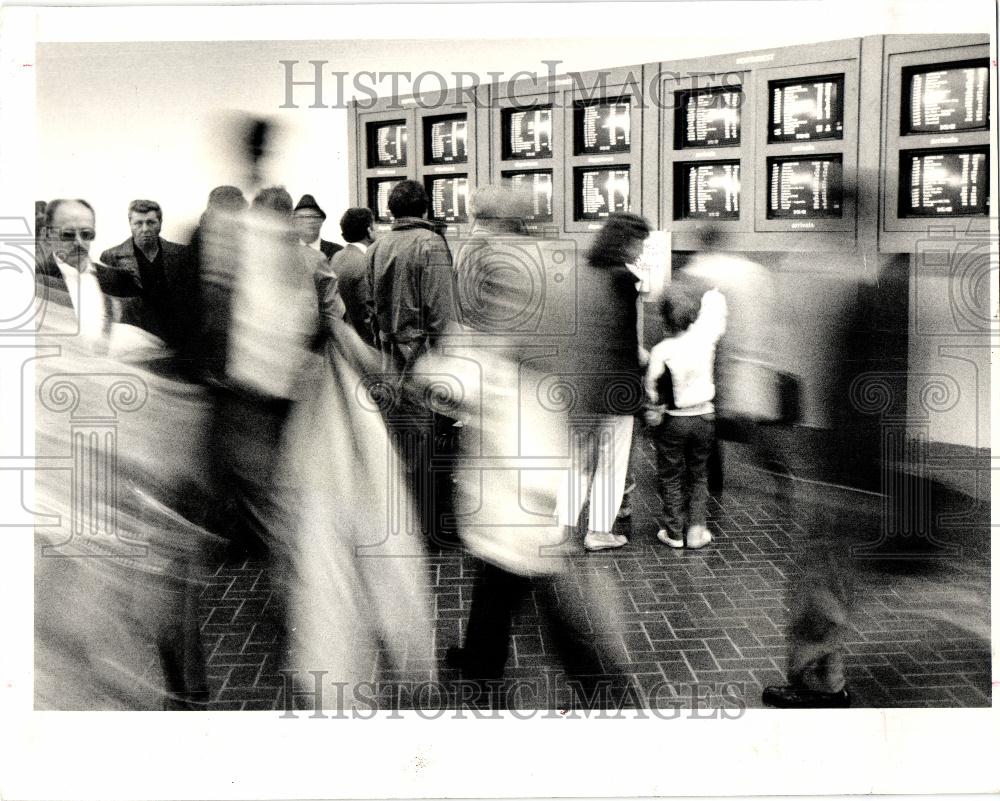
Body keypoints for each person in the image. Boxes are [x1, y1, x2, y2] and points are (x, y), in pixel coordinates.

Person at [438, 185, 631, 707]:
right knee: (502, 565)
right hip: (543, 433)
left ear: (495, 221)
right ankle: (482, 656)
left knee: (540, 573)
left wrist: (438, 372)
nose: (473, 229)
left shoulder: (506, 269)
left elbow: (479, 362)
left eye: (479, 219)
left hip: (522, 441)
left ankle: (604, 689)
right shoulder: (558, 261)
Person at [34, 198, 218, 710]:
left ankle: (188, 697)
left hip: (127, 452)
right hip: (66, 465)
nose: (78, 245)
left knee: (160, 580)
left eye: (86, 234)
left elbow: (147, 345)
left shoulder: (115, 280)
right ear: (49, 235)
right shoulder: (28, 290)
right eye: (68, 234)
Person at [366, 179, 458, 542]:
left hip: (389, 358)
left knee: (402, 441)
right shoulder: (430, 243)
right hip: (422, 357)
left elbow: (369, 306)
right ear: (425, 209)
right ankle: (432, 529)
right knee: (430, 441)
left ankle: (404, 523)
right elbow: (442, 311)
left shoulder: (377, 246)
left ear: (391, 211)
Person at [557, 212, 650, 552]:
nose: (640, 250)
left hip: (582, 381)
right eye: (639, 242)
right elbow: (625, 339)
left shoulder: (583, 272)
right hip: (616, 383)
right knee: (612, 460)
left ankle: (563, 531)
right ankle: (598, 532)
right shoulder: (623, 279)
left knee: (578, 460)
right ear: (626, 242)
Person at [644, 282, 727, 549]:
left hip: (673, 421)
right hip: (704, 418)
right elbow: (715, 317)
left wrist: (653, 409)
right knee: (699, 474)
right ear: (694, 315)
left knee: (671, 475)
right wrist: (713, 294)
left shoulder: (661, 350)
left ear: (665, 319)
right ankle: (696, 531)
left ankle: (674, 533)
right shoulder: (705, 340)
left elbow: (652, 388)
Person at [99, 199, 194, 349]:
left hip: (176, 339)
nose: (145, 229)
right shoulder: (111, 256)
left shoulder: (182, 254)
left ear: (160, 224)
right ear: (130, 224)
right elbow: (108, 307)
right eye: (138, 223)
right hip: (135, 338)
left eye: (151, 222)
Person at [328, 206, 376, 346]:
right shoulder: (364, 262)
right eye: (374, 224)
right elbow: (366, 314)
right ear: (369, 230)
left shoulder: (337, 256)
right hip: (362, 344)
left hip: (342, 340)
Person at [293, 193, 342, 260]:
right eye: (302, 217)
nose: (309, 221)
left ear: (321, 220)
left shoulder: (337, 252)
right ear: (294, 221)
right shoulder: (285, 252)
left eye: (314, 216)